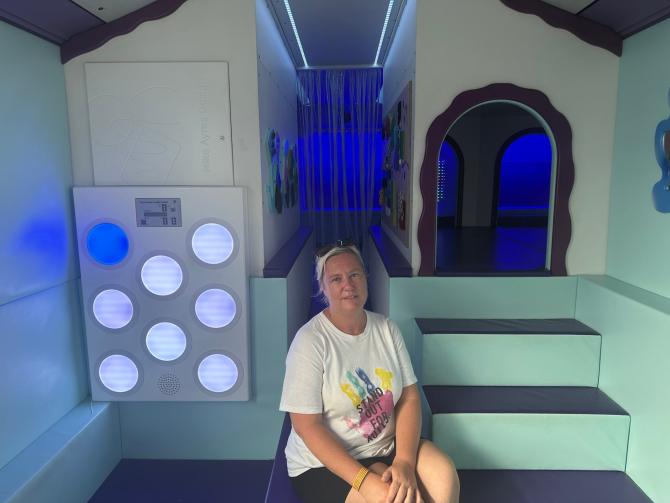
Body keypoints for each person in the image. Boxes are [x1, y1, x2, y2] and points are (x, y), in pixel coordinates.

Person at [280, 242, 460, 503]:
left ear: (365, 278)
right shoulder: (309, 341)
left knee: (444, 477)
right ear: (323, 288)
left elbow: (409, 397)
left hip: (385, 445)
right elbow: (306, 426)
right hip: (323, 463)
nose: (348, 285)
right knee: (393, 499)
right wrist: (364, 482)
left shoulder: (386, 329)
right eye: (336, 279)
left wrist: (405, 462)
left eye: (354, 275)